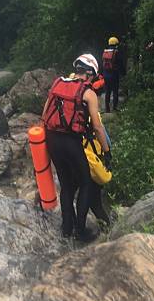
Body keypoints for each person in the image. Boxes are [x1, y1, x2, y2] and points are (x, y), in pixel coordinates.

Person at [41, 54, 111, 242]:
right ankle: (80, 231)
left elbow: (44, 113)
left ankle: (66, 229)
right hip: (71, 141)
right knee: (86, 182)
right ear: (90, 74)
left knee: (66, 185)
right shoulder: (89, 93)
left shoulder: (57, 83)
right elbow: (97, 126)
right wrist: (106, 152)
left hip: (52, 139)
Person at [101, 36, 126, 113]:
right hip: (114, 74)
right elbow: (120, 64)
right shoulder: (116, 53)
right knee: (115, 91)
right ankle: (114, 108)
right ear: (116, 44)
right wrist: (123, 73)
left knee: (107, 91)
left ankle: (107, 108)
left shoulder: (105, 52)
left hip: (106, 74)